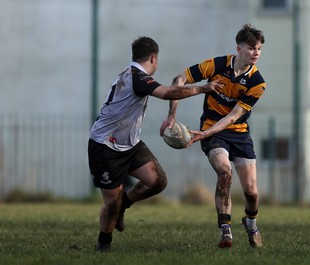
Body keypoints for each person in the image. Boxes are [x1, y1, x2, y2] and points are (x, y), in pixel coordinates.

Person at [88, 36, 222, 253]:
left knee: (157, 180)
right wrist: (203, 88)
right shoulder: (137, 77)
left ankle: (124, 205)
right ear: (153, 57)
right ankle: (104, 244)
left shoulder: (130, 75)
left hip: (129, 144)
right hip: (105, 147)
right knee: (111, 204)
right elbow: (167, 92)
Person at [161, 24, 266, 248]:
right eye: (251, 48)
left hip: (237, 133)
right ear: (238, 49)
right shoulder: (216, 65)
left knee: (252, 193)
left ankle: (251, 222)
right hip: (211, 129)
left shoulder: (258, 83)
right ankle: (225, 231)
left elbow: (233, 117)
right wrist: (171, 115)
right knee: (224, 172)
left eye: (259, 48)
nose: (256, 52)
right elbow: (178, 79)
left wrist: (205, 134)